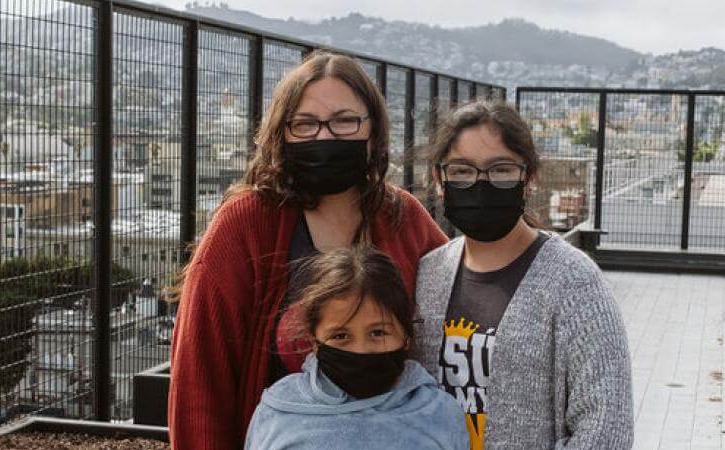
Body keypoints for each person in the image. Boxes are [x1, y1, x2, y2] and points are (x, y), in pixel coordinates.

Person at [167, 50, 448, 449]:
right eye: (305, 124)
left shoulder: (403, 217)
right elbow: (200, 374)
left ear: (374, 131)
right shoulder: (246, 224)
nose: (325, 137)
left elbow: (463, 297)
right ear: (282, 134)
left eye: (344, 121)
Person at [412, 100, 633, 449]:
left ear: (529, 177)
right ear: (440, 179)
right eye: (461, 170)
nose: (480, 183)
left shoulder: (573, 281)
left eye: (500, 170)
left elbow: (606, 428)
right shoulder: (428, 274)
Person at [244, 247, 467, 450]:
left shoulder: (439, 414)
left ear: (406, 335)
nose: (361, 350)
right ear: (314, 342)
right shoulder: (279, 412)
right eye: (340, 336)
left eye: (378, 333)